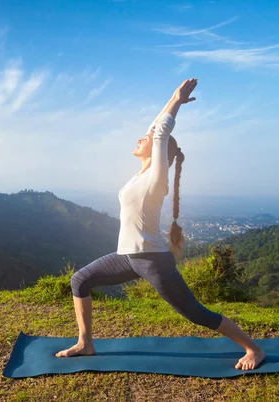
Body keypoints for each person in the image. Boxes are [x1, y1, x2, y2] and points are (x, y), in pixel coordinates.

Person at [55, 78, 266, 371]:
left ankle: (254, 348)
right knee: (80, 280)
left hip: (153, 261)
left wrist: (177, 102)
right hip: (128, 256)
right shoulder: (140, 176)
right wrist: (170, 98)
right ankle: (85, 343)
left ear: (159, 153)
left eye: (148, 139)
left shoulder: (157, 177)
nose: (141, 138)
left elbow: (160, 133)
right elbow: (155, 130)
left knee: (196, 314)